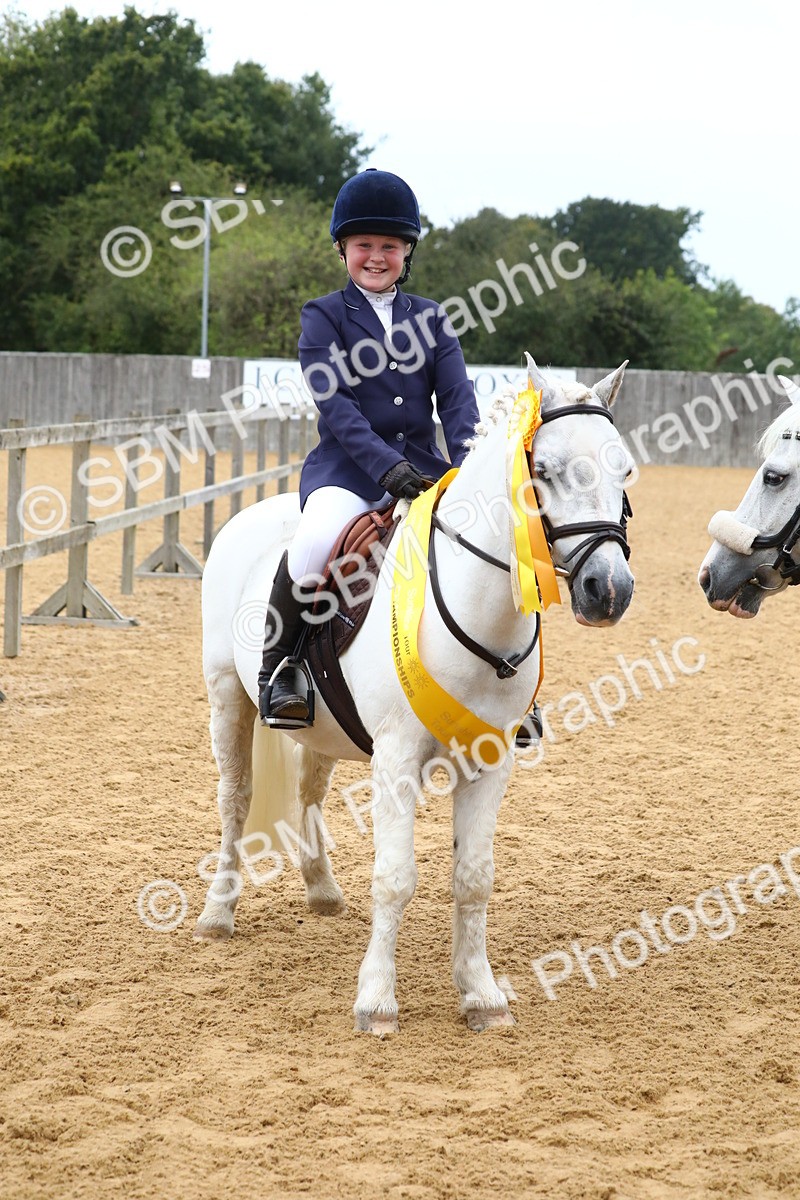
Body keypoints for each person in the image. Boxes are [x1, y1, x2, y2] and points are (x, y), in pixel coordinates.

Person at [257, 168, 480, 723]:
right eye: (364, 245)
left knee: (498, 544)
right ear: (343, 250)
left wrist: (472, 469)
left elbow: (457, 402)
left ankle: (510, 686)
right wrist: (388, 469)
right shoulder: (323, 315)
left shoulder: (432, 318)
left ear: (407, 252)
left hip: (426, 473)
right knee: (313, 544)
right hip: (348, 474)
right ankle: (280, 669)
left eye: (390, 246)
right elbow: (337, 408)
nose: (376, 257)